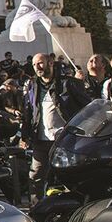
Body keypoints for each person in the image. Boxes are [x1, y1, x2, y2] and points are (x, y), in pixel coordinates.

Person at [21, 53, 89, 202]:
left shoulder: (68, 83)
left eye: (40, 63)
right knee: (35, 177)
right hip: (40, 140)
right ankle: (36, 211)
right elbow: (28, 112)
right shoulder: (32, 85)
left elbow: (86, 106)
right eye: (34, 65)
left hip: (64, 141)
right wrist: (24, 135)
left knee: (70, 176)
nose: (37, 67)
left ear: (50, 63)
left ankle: (76, 208)